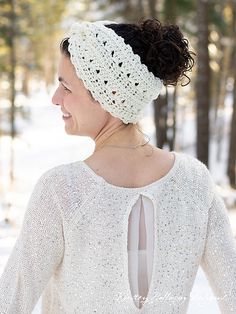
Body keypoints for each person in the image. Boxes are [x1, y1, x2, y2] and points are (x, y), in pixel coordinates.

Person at [0, 18, 235, 314]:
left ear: (108, 94)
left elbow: (10, 302)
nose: (55, 98)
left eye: (66, 87)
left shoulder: (63, 190)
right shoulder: (194, 182)